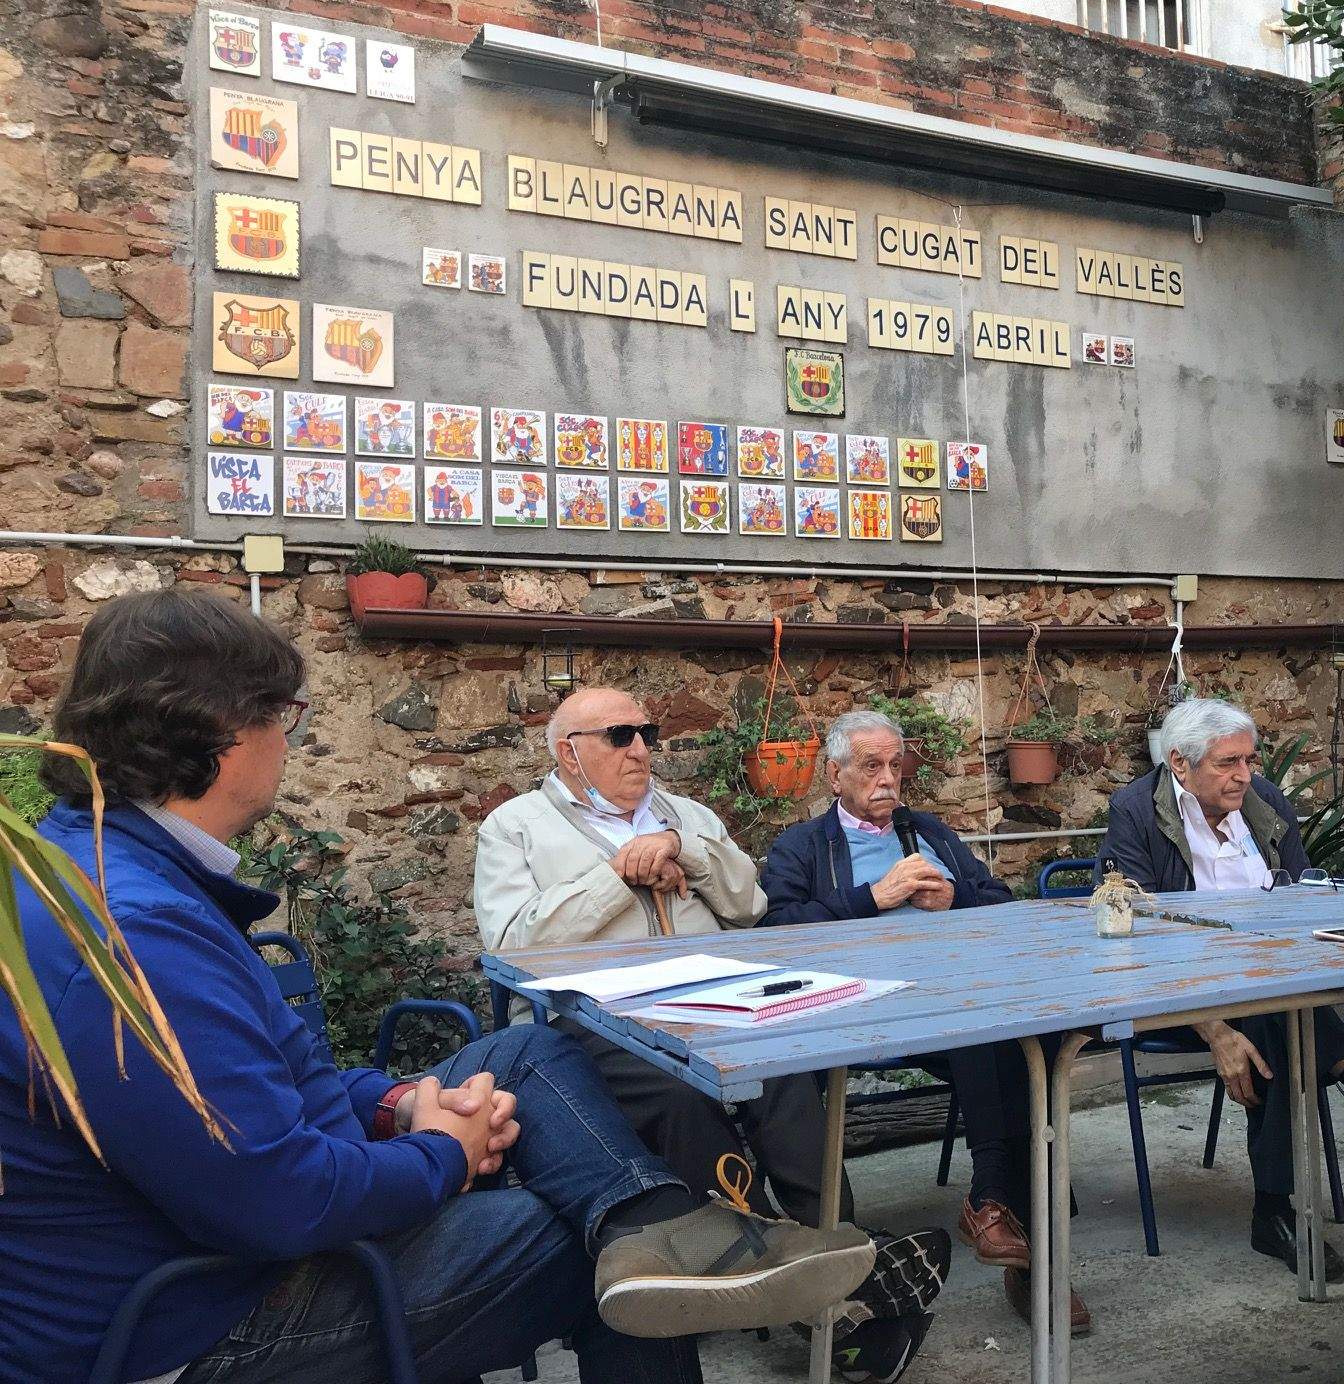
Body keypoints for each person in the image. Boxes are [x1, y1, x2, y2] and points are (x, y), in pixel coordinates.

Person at [0, 590, 875, 1384]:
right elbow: (282, 1199)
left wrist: (397, 1103)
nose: (289, 745)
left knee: (526, 1055)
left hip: (213, 1252)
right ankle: (661, 1241)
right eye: (286, 719)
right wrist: (443, 1155)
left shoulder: (116, 876)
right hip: (197, 1324)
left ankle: (652, 1223)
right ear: (222, 729)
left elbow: (258, 1095)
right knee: (586, 1244)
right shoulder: (135, 930)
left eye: (648, 735)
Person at [475, 687, 947, 1381]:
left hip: (713, 998)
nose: (641, 747)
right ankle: (799, 1286)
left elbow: (748, 903)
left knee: (785, 1062)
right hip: (591, 1018)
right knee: (681, 1091)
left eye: (646, 732)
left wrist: (684, 851)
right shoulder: (513, 827)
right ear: (569, 753)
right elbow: (513, 942)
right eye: (620, 735)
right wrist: (618, 873)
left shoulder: (688, 816)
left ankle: (843, 1248)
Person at [761, 708, 1093, 1337]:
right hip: (858, 1007)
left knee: (1030, 1032)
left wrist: (957, 898)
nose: (888, 778)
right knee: (982, 1016)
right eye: (870, 765)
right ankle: (1001, 1212)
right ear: (835, 776)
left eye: (896, 764)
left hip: (950, 997)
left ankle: (1014, 1230)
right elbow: (777, 934)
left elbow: (1001, 904)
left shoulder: (928, 832)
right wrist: (871, 899)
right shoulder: (803, 846)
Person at [1097, 696, 1344, 1279]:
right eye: (1228, 763)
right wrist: (1215, 1028)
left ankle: (1276, 1211)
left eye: (1249, 761)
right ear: (1180, 764)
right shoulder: (1135, 810)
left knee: (1275, 1013)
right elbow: (1138, 933)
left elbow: (1301, 891)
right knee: (1274, 1020)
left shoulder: (1262, 801)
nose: (1244, 776)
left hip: (1271, 974)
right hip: (1177, 984)